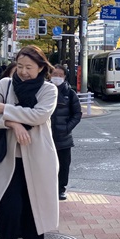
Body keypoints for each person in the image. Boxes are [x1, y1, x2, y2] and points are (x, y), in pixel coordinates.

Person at [0, 45, 58, 239]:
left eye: (29, 67)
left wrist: (5, 109)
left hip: (38, 161)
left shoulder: (48, 90)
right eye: (20, 66)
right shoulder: (5, 84)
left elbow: (39, 116)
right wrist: (13, 124)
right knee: (9, 212)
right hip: (9, 161)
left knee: (32, 214)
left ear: (41, 68)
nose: (23, 72)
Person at [50, 65, 82, 201]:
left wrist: (67, 128)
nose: (57, 77)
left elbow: (77, 114)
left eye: (60, 75)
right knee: (47, 165)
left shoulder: (70, 93)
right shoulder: (44, 91)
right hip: (46, 137)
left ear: (64, 77)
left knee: (63, 165)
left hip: (64, 138)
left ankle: (61, 189)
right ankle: (48, 189)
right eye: (54, 74)